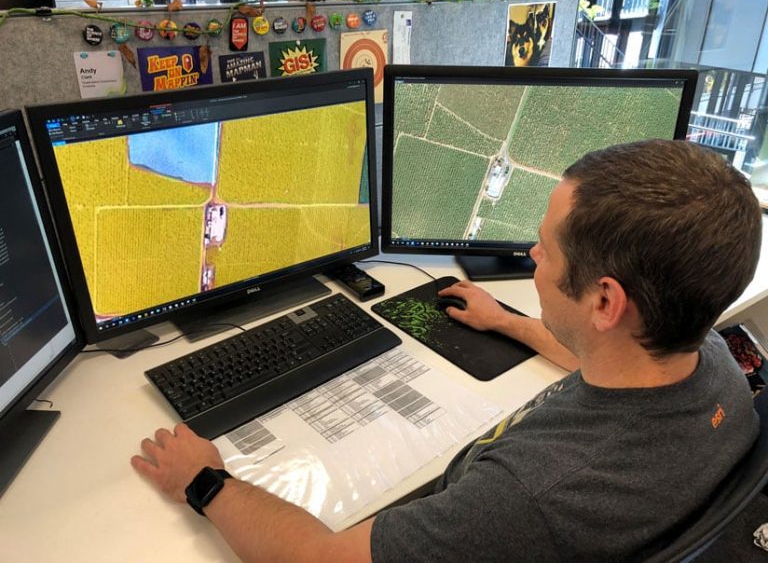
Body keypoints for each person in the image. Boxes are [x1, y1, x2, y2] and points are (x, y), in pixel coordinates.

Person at [132, 139, 763, 562]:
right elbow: (607, 359)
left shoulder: (521, 500)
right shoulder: (711, 362)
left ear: (605, 303)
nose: (532, 260)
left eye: (546, 248)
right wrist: (509, 323)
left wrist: (206, 482)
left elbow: (320, 559)